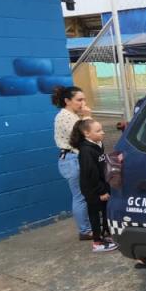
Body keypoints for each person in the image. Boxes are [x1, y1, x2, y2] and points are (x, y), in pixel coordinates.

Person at [70, 118, 119, 253]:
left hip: (102, 186)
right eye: (98, 131)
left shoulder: (98, 144)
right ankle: (97, 242)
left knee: (104, 211)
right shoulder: (86, 151)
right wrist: (101, 191)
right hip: (93, 190)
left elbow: (101, 167)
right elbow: (91, 174)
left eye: (102, 129)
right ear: (86, 133)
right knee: (95, 215)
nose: (102, 133)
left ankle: (106, 235)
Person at [52, 85, 92, 241]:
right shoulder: (65, 116)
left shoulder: (73, 116)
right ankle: (85, 230)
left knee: (83, 195)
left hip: (74, 158)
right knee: (80, 196)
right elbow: (84, 137)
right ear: (67, 101)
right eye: (79, 100)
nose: (83, 103)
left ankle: (87, 227)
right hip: (71, 159)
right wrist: (87, 117)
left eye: (84, 99)